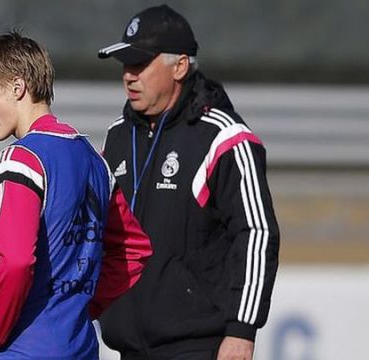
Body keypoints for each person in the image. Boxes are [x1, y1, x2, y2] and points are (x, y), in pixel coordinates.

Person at [97, 5, 280, 360]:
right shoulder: (116, 139)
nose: (129, 77)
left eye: (140, 65)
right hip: (128, 347)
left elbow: (257, 233)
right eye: (125, 66)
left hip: (198, 346)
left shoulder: (225, 139)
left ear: (179, 66)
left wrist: (242, 329)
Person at [0, 31, 152, 359]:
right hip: (79, 348)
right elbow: (134, 250)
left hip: (22, 350)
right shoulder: (94, 160)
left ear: (17, 88)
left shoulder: (21, 158)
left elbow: (17, 262)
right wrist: (80, 306)